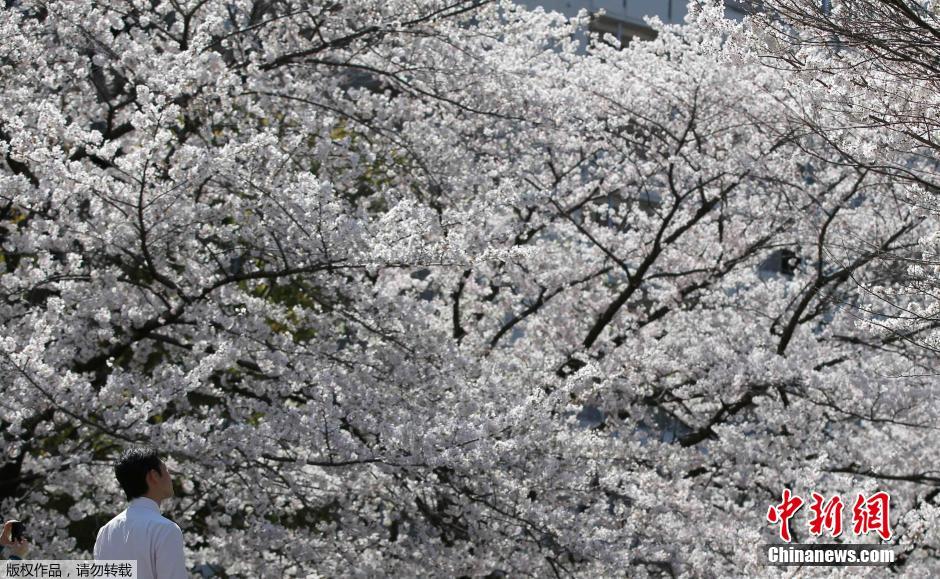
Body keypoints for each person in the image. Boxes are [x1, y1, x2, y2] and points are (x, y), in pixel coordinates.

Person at [94, 447, 189, 578]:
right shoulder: (165, 529)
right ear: (154, 476)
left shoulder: (105, 531)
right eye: (166, 471)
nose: (170, 477)